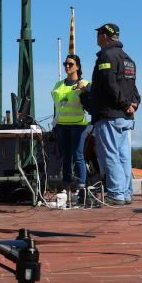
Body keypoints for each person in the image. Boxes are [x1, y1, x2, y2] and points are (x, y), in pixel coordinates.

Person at [83, 23, 140, 205]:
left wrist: (124, 104)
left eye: (98, 34)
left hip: (110, 115)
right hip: (125, 117)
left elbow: (109, 85)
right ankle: (126, 193)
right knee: (124, 157)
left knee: (110, 155)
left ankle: (116, 194)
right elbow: (132, 87)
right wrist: (134, 104)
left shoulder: (107, 56)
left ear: (105, 36)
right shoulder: (128, 58)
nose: (97, 37)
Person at [51, 54, 90, 189]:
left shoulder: (85, 83)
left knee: (78, 155)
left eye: (70, 64)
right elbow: (57, 106)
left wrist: (85, 89)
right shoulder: (58, 85)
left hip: (79, 125)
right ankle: (67, 184)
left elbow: (94, 96)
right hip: (62, 126)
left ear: (77, 67)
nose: (67, 66)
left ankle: (82, 185)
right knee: (66, 156)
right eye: (65, 64)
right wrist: (55, 124)